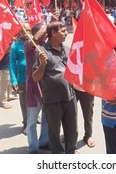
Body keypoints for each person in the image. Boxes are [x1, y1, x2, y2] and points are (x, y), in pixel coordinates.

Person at [32, 21, 78, 154]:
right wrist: (42, 64)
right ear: (53, 33)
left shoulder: (67, 50)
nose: (66, 33)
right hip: (52, 101)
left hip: (70, 97)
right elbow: (36, 78)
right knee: (54, 132)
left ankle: (71, 152)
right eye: (63, 31)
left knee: (72, 130)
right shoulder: (42, 52)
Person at [24, 23, 49, 154]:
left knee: (46, 118)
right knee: (32, 119)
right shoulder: (29, 46)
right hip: (34, 89)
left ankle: (44, 142)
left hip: (47, 89)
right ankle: (33, 147)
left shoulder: (47, 46)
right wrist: (49, 24)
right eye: (42, 33)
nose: (45, 35)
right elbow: (36, 39)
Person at [10, 23, 31, 134]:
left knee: (37, 101)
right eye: (25, 30)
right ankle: (26, 123)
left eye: (29, 30)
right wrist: (13, 80)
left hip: (34, 79)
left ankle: (34, 118)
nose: (27, 33)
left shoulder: (34, 43)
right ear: (21, 32)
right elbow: (12, 63)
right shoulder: (15, 46)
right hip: (22, 80)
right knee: (24, 103)